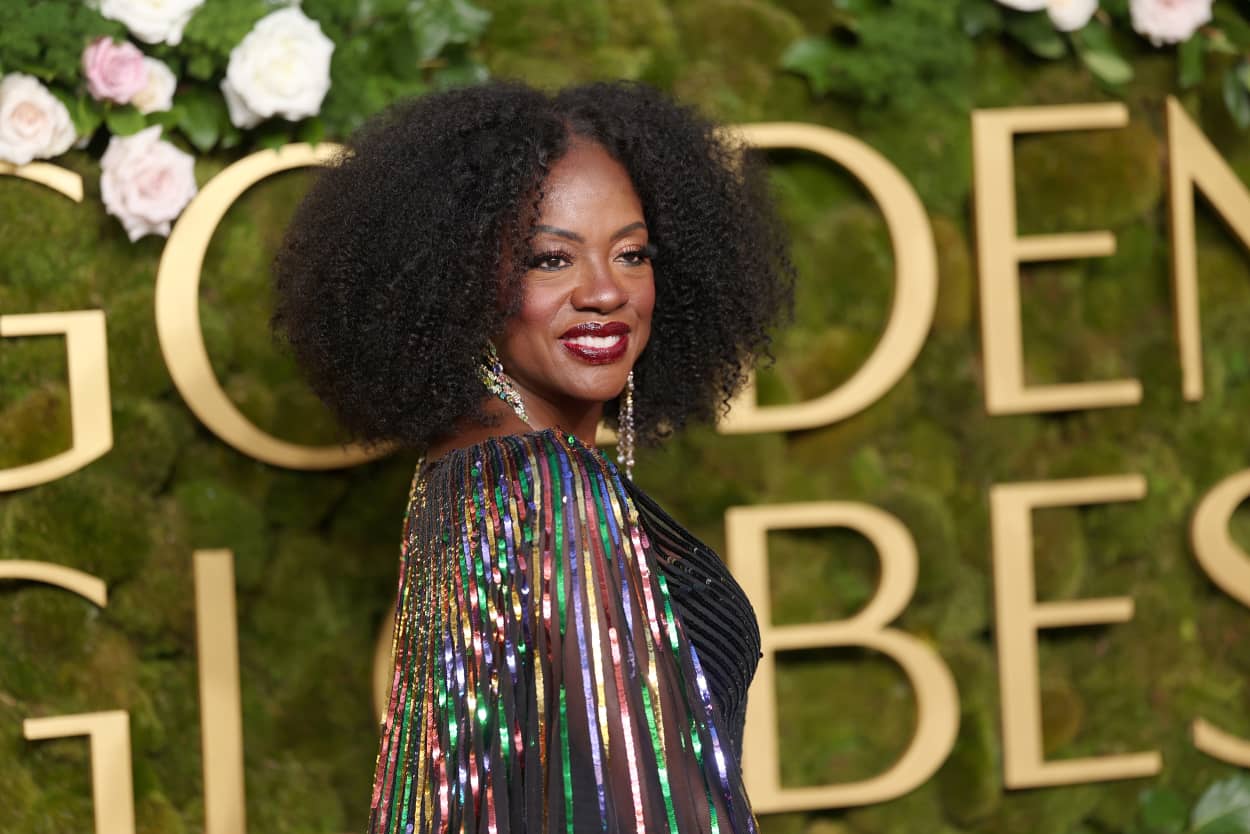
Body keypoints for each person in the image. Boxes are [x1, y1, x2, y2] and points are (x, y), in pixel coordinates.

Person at [270, 79, 794, 833]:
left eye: (633, 253)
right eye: (551, 260)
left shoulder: (464, 471)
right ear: (462, 279)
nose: (606, 292)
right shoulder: (553, 491)